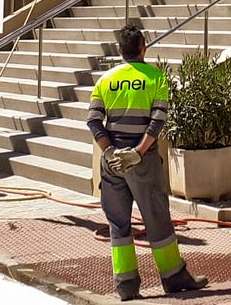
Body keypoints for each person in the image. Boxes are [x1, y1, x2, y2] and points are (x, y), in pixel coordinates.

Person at [87, 23, 208, 301]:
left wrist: (108, 153)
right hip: (142, 161)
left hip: (112, 163)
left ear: (120, 50)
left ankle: (126, 285)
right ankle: (174, 277)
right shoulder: (156, 78)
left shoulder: (105, 80)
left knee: (118, 225)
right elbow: (157, 122)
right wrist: (138, 153)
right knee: (157, 219)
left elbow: (93, 120)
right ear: (143, 48)